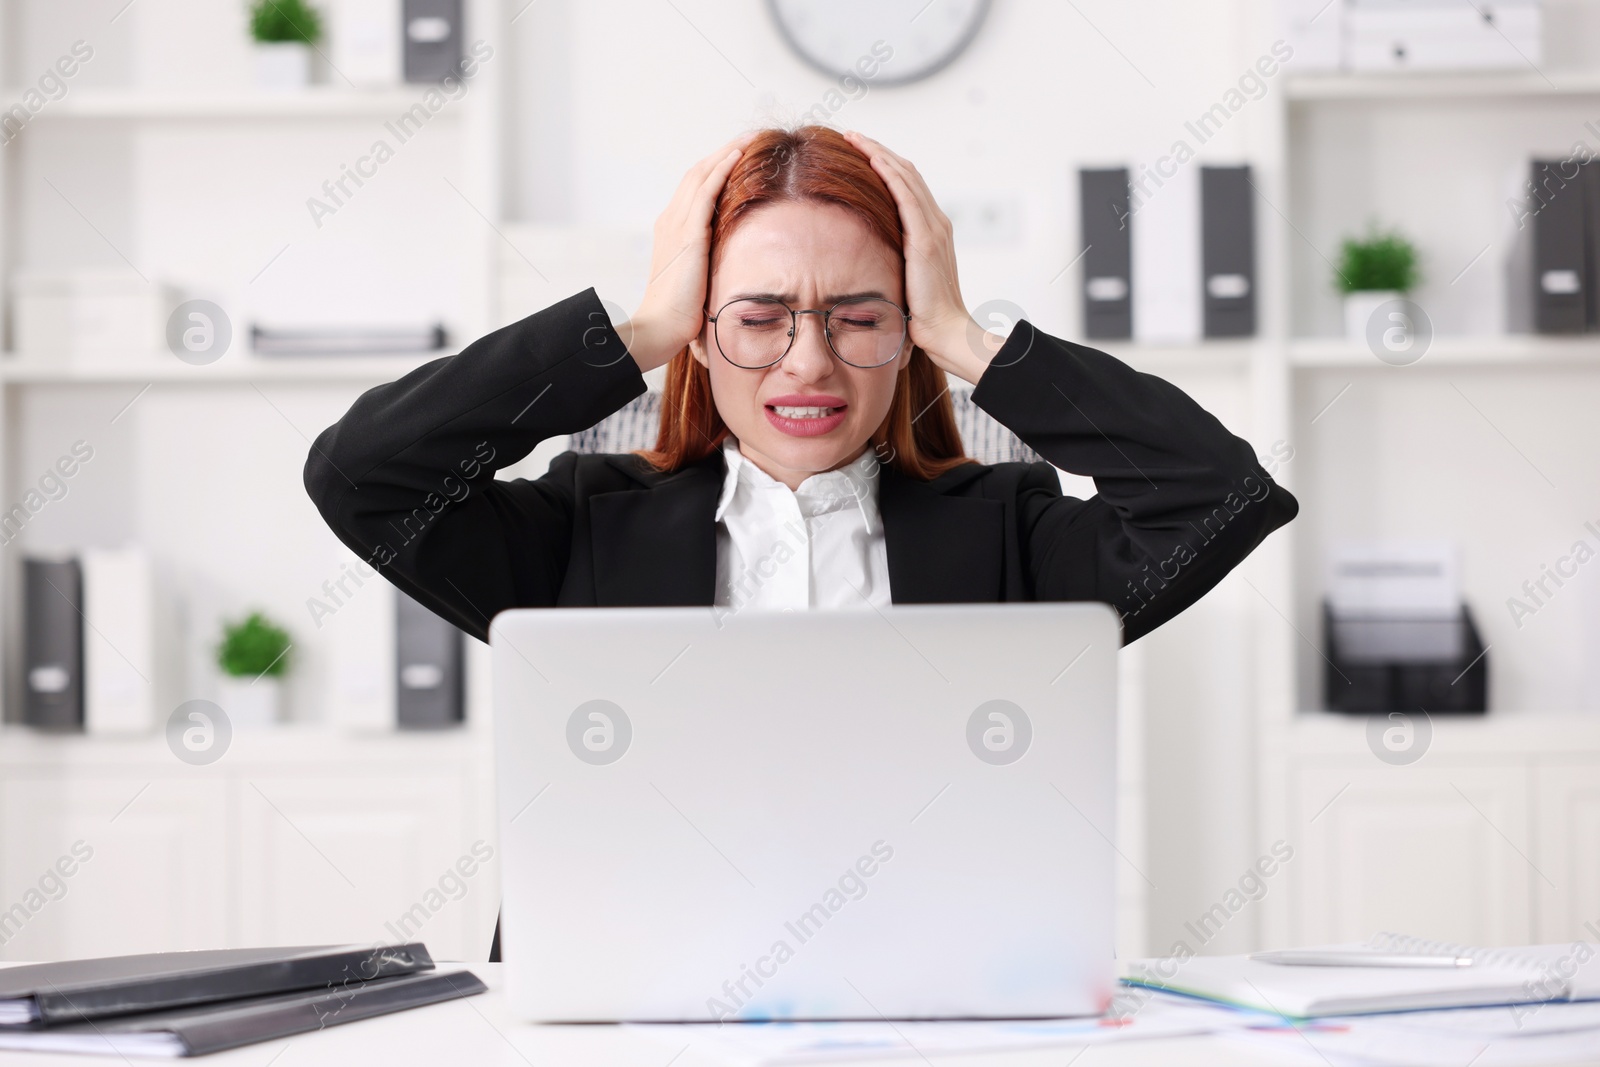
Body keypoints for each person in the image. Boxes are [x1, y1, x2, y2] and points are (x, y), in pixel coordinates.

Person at [305, 125, 1297, 961]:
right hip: (623, 1004)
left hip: (935, 1004)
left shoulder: (1008, 538)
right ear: (701, 329)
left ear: (905, 332)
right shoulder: (578, 530)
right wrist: (639, 328)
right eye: (760, 316)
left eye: (860, 316)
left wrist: (965, 336)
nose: (809, 360)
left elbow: (1218, 492)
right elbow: (363, 473)